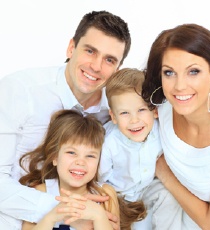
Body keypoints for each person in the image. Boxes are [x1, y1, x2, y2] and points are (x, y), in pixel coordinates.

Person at [0, 10, 131, 229]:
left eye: (109, 60)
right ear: (71, 48)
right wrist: (68, 208)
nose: (96, 67)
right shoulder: (20, 90)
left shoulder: (115, 112)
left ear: (117, 69)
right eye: (90, 51)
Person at [141, 23, 210, 229]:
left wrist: (165, 174)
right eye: (169, 73)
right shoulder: (163, 107)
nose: (180, 85)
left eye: (193, 71)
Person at [98, 68, 182, 229]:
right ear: (113, 116)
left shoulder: (160, 129)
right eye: (124, 113)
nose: (134, 120)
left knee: (168, 196)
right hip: (119, 196)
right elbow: (100, 180)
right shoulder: (110, 143)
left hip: (147, 188)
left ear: (154, 110)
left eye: (142, 110)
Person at [19, 109, 118, 229]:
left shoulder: (105, 194)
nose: (81, 162)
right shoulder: (40, 192)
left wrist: (98, 215)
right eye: (71, 152)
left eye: (90, 156)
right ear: (55, 157)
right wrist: (52, 217)